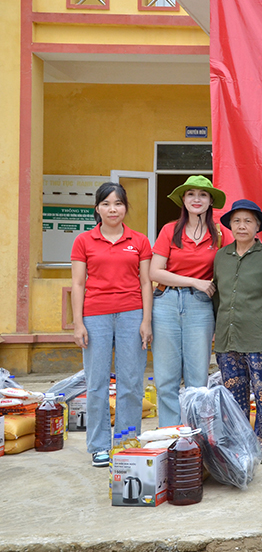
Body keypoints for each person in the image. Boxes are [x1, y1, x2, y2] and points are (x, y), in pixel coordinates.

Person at [70, 182, 152, 467]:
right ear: (97, 209)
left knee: (131, 383)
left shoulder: (139, 241)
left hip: (132, 314)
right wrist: (78, 323)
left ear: (126, 208)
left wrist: (146, 321)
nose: (112, 209)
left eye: (118, 203)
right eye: (106, 203)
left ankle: (127, 441)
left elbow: (145, 283)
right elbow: (78, 284)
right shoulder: (84, 241)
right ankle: (100, 446)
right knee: (96, 383)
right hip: (95, 317)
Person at [149, 175, 232, 427]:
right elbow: (155, 272)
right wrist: (194, 281)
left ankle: (196, 440)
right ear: (183, 200)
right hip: (166, 303)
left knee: (197, 379)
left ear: (210, 202)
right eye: (191, 194)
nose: (197, 199)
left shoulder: (220, 234)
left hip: (201, 307)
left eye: (203, 195)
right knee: (166, 379)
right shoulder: (169, 230)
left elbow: (234, 265)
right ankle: (170, 437)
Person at [214, 199, 262, 464]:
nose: (242, 226)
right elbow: (217, 298)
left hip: (260, 339)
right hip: (227, 340)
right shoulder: (221, 257)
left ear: (257, 226)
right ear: (230, 226)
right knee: (234, 397)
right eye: (237, 221)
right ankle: (240, 441)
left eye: (248, 221)